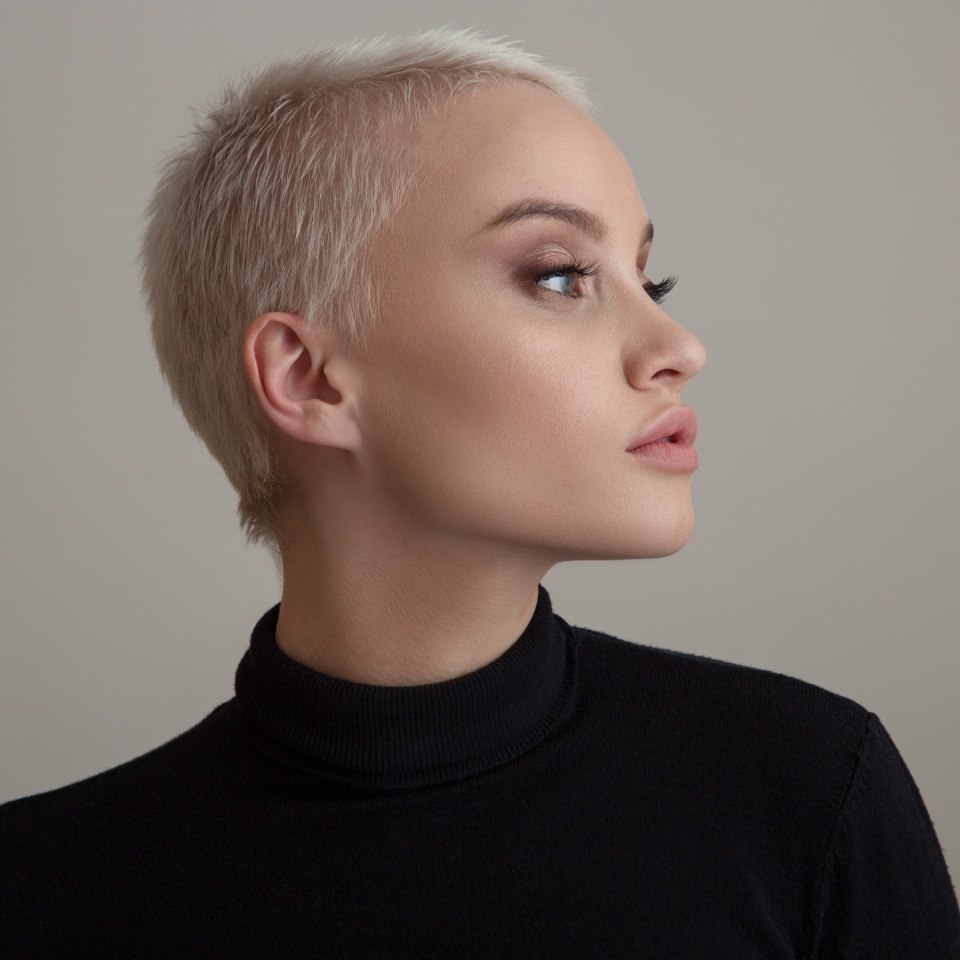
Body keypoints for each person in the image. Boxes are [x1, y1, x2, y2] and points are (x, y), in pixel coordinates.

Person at [1, 26, 958, 958]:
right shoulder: (39, 888)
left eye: (648, 278)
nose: (680, 348)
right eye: (560, 276)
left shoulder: (807, 793)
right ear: (308, 378)